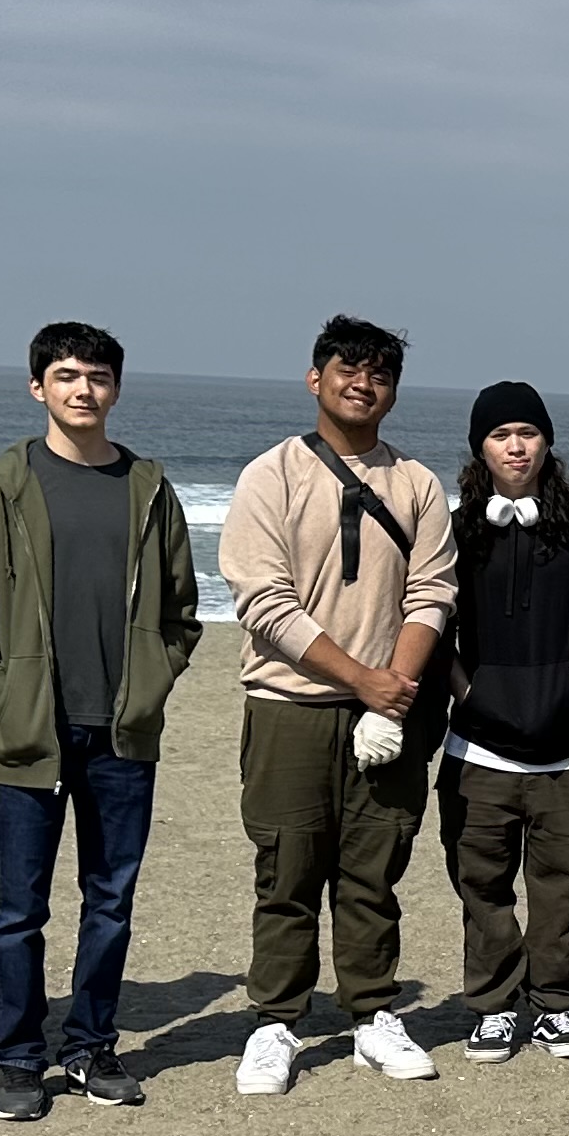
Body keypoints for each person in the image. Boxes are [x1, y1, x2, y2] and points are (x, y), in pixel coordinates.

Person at [0, 321, 201, 1120]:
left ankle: (89, 1047)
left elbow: (182, 611)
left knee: (110, 901)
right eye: (69, 375)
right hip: (29, 734)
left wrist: (152, 682)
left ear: (117, 389)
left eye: (100, 377)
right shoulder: (2, 484)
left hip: (122, 734)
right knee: (20, 909)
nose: (85, 389)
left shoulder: (149, 486)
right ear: (38, 386)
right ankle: (17, 1058)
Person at [218, 316, 458, 1095]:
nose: (363, 383)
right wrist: (363, 680)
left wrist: (391, 694)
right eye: (347, 369)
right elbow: (264, 603)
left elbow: (433, 593)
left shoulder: (417, 484)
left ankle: (371, 1015)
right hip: (290, 705)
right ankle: (276, 1022)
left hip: (391, 704)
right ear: (315, 378)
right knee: (287, 867)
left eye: (379, 374)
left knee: (374, 868)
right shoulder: (272, 476)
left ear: (392, 390)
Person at [437, 382, 569, 1065]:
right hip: (478, 748)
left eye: (527, 432)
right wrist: (471, 693)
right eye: (499, 435)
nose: (515, 446)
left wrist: (565, 689)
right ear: (479, 448)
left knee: (566, 884)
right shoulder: (454, 531)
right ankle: (491, 1006)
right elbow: (432, 623)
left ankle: (553, 1004)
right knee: (481, 885)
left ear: (547, 442)